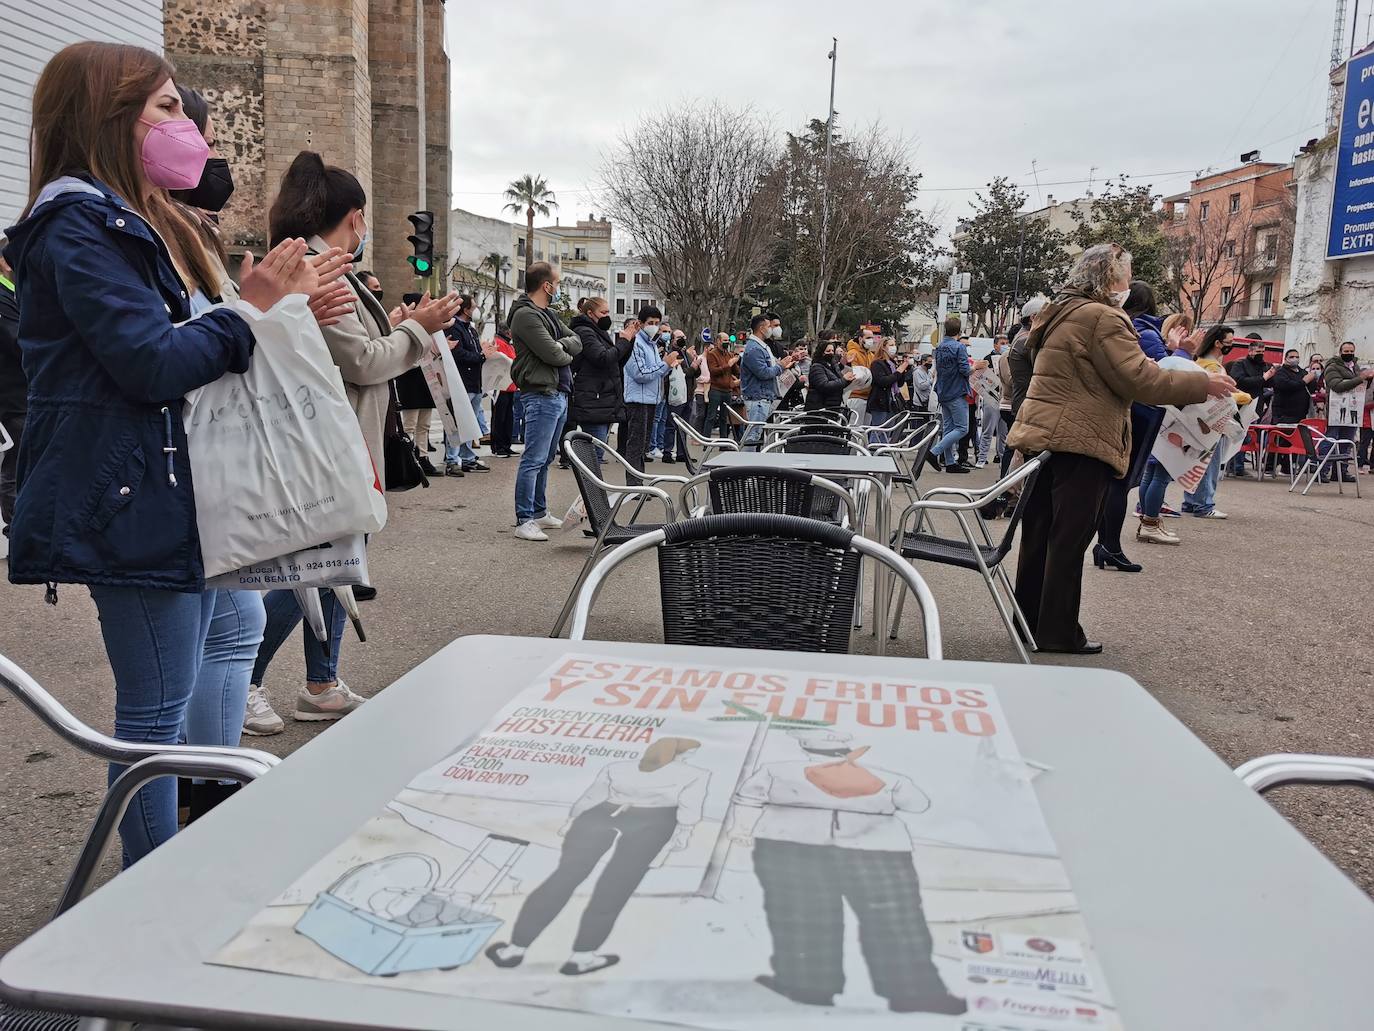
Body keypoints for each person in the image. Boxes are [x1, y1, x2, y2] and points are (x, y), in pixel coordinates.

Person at [1, 42, 313, 863]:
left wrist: (251, 311)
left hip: (153, 491)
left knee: (182, 687)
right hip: (125, 498)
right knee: (153, 718)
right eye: (167, 107)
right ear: (109, 117)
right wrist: (249, 311)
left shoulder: (114, 219)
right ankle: (156, 895)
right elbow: (151, 362)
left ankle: (194, 847)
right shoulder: (78, 223)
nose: (187, 125)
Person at [243, 153, 461, 737]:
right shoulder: (322, 268)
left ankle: (322, 682)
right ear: (356, 217)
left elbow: (354, 348)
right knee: (317, 568)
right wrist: (420, 330)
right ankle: (246, 677)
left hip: (335, 441)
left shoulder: (314, 262)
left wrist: (397, 326)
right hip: (329, 444)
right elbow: (363, 362)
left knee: (339, 566)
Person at [1005, 244, 1233, 655]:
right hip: (1081, 437)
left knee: (1039, 532)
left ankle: (1028, 620)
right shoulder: (1101, 316)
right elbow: (1141, 379)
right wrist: (1203, 382)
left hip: (1044, 434)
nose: (1128, 284)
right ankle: (1056, 632)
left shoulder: (1060, 311)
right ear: (1111, 278)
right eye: (1125, 275)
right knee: (1068, 539)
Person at [729, 729, 964, 1016]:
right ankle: (916, 994)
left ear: (804, 746)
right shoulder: (887, 776)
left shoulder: (776, 771)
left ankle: (807, 987)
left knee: (799, 915)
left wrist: (741, 830)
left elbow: (746, 798)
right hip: (877, 849)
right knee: (896, 920)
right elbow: (919, 805)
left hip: (790, 845)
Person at [486, 738, 707, 977]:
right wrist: (683, 834)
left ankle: (514, 950)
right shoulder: (696, 774)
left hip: (600, 816)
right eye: (690, 753)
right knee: (615, 888)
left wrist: (572, 819)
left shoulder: (618, 766)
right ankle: (582, 957)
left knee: (562, 879)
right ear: (683, 754)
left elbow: (592, 796)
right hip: (653, 823)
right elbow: (690, 808)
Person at [508, 261, 581, 541]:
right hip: (540, 393)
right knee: (534, 459)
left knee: (546, 458)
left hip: (557, 392)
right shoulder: (526, 316)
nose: (558, 288)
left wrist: (561, 346)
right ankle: (524, 518)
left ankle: (539, 511)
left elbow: (575, 339)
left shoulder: (547, 313)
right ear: (546, 285)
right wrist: (562, 348)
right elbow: (555, 355)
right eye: (557, 283)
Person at [1182, 325, 1253, 518]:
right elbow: (1222, 394)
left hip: (1200, 420)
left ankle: (1191, 501)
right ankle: (1204, 504)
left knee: (1198, 462)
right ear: (1218, 343)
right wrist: (1244, 397)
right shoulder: (1213, 366)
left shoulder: (1199, 362)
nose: (1232, 345)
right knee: (1210, 464)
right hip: (1216, 420)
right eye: (1229, 342)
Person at [568, 296, 634, 466]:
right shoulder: (585, 332)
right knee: (593, 456)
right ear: (590, 313)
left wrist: (628, 343)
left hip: (602, 399)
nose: (607, 316)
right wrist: (623, 342)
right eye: (603, 312)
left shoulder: (598, 332)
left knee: (597, 452)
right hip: (593, 399)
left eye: (608, 312)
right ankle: (591, 492)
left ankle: (592, 491)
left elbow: (615, 362)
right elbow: (603, 358)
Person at [621, 305, 677, 473]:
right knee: (635, 446)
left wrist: (666, 366)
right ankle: (633, 486)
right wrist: (664, 364)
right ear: (641, 323)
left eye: (657, 323)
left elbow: (655, 371)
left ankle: (639, 482)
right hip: (637, 400)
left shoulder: (652, 344)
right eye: (651, 322)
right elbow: (640, 373)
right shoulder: (635, 343)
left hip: (651, 399)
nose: (654, 326)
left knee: (643, 447)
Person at [443, 294, 490, 476]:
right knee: (456, 422)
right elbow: (459, 354)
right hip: (461, 382)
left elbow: (476, 351)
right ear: (465, 309)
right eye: (474, 306)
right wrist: (481, 355)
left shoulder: (470, 329)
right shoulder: (453, 327)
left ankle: (468, 457)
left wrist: (483, 353)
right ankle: (452, 460)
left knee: (469, 423)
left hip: (474, 383)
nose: (476, 310)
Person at [932, 317, 985, 473]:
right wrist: (975, 366)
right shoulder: (959, 347)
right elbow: (965, 370)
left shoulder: (940, 346)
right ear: (959, 330)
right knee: (962, 428)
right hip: (956, 391)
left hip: (943, 391)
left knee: (949, 428)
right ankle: (935, 451)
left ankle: (950, 463)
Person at [740, 313, 798, 449]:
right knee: (752, 437)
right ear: (761, 328)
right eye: (769, 326)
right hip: (757, 399)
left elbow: (771, 366)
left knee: (755, 435)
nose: (771, 329)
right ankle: (746, 467)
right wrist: (781, 366)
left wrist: (785, 362)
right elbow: (764, 373)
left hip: (763, 398)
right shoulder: (754, 348)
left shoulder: (761, 346)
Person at [1323, 342, 1373, 482]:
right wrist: (1360, 378)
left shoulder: (1354, 366)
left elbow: (1360, 385)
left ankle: (1340, 471)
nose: (1349, 353)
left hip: (1352, 410)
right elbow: (1336, 386)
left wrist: (1368, 379)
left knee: (1346, 442)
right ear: (1340, 352)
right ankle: (1322, 470)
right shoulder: (1332, 366)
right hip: (1336, 410)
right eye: (1346, 350)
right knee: (1331, 440)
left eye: (1351, 351)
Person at [1267, 348, 1320, 475]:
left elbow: (1310, 388)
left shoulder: (1302, 371)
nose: (1295, 359)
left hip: (1300, 413)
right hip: (1283, 413)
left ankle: (1287, 467)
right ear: (1286, 358)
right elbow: (1287, 386)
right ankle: (1269, 466)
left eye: (1297, 356)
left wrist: (1314, 378)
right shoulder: (1281, 372)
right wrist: (1304, 381)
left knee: (1295, 440)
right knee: (1280, 439)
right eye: (1292, 357)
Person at [0, 248, 22, 540]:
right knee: (16, 464)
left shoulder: (17, 293)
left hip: (25, 394)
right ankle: (17, 534)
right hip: (12, 397)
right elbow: (18, 342)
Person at [1225, 336, 1271, 476]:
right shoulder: (1240, 365)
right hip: (1240, 405)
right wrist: (1263, 378)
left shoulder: (1264, 366)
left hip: (1257, 406)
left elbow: (1269, 384)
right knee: (1239, 435)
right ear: (1250, 351)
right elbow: (1239, 381)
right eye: (1258, 351)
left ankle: (1238, 466)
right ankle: (1235, 466)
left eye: (1263, 351)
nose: (1261, 354)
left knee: (1248, 436)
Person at [865, 338, 907, 443]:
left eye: (894, 344)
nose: (894, 347)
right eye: (891, 345)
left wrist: (902, 371)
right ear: (883, 347)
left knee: (887, 431)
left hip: (892, 402)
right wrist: (898, 372)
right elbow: (882, 381)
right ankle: (874, 453)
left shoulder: (893, 363)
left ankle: (883, 451)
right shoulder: (877, 364)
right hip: (880, 402)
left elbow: (899, 383)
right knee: (878, 430)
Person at [489, 324, 519, 457]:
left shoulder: (508, 344)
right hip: (499, 385)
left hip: (509, 385)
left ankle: (506, 445)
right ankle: (498, 445)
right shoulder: (498, 343)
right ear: (507, 332)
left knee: (508, 417)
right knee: (499, 417)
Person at [705, 329, 741, 437]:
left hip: (727, 391)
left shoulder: (729, 354)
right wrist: (728, 365)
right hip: (716, 389)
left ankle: (723, 442)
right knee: (711, 416)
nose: (727, 342)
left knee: (724, 418)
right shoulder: (712, 354)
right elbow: (713, 371)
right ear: (718, 341)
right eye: (724, 340)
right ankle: (706, 441)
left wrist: (736, 362)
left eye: (728, 340)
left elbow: (736, 371)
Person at [804, 335, 851, 411]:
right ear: (821, 352)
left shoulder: (832, 366)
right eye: (828, 351)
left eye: (832, 351)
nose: (831, 353)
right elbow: (824, 385)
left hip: (832, 407)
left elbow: (839, 383)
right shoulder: (817, 367)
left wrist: (848, 380)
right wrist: (844, 380)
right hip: (820, 409)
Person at [844, 329, 877, 423]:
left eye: (872, 338)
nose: (871, 340)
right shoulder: (853, 353)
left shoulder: (871, 355)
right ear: (860, 338)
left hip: (868, 397)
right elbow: (855, 375)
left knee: (864, 430)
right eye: (868, 338)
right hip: (856, 396)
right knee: (855, 428)